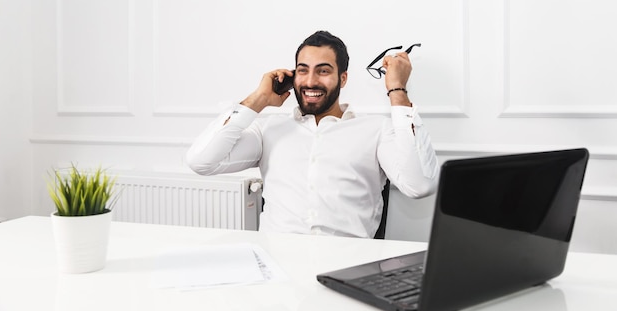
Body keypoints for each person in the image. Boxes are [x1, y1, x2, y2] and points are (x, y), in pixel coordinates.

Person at [186, 31, 438, 238]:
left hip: (346, 271)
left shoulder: (376, 131)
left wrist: (397, 89)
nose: (310, 81)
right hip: (278, 271)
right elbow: (201, 161)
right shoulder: (268, 129)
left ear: (343, 78)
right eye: (303, 70)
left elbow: (420, 185)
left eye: (323, 71)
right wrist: (259, 99)